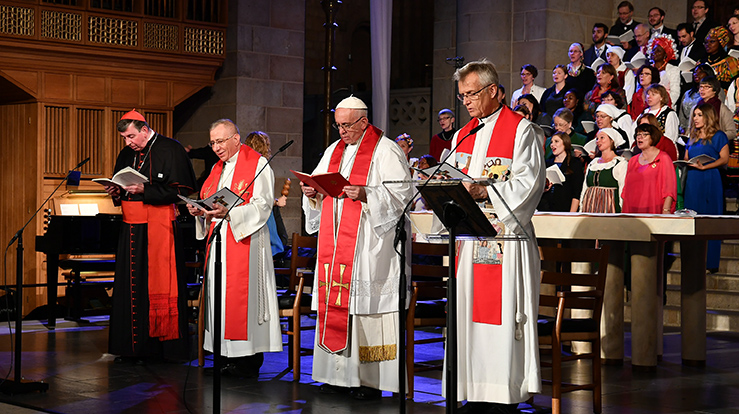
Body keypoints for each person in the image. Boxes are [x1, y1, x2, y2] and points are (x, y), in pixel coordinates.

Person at [300, 96, 413, 400]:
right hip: (336, 247)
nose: (342, 131)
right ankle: (336, 376)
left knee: (365, 312)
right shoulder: (333, 151)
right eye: (338, 125)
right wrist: (312, 193)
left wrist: (366, 194)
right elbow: (322, 186)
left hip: (368, 247)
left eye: (347, 125)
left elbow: (403, 193)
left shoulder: (385, 149)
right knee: (339, 307)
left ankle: (369, 380)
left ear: (364, 122)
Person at [449, 59, 544, 413]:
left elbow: (528, 185)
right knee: (470, 319)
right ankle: (475, 390)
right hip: (471, 243)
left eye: (472, 94)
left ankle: (504, 394)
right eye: (462, 97)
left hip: (507, 242)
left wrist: (483, 192)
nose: (467, 102)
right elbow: (452, 177)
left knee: (503, 320)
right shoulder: (464, 134)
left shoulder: (522, 131)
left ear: (492, 91)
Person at [186, 119, 281, 377]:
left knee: (241, 300)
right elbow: (210, 205)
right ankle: (224, 355)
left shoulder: (257, 165)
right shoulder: (217, 169)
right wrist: (199, 211)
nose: (216, 147)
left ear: (236, 139)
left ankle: (247, 361)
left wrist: (232, 214)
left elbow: (263, 206)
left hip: (245, 242)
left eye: (221, 141)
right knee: (220, 299)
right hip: (219, 244)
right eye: (213, 142)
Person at [105, 109, 197, 363]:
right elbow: (121, 185)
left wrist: (145, 189)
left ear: (144, 130)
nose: (128, 143)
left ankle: (160, 348)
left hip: (159, 227)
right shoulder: (126, 154)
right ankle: (131, 348)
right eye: (124, 138)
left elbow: (181, 191)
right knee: (130, 287)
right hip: (131, 228)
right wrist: (116, 190)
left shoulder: (171, 149)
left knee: (154, 284)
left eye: (132, 136)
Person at [684, 103, 730, 272]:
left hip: (710, 178)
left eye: (699, 115)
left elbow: (724, 159)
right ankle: (693, 262)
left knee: (709, 220)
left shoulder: (718, 136)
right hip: (693, 180)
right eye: (694, 115)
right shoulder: (693, 137)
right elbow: (687, 157)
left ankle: (710, 263)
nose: (695, 118)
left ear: (708, 116)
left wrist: (707, 166)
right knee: (692, 219)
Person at [242, 130, 289, 255]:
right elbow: (259, 197)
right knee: (272, 246)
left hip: (249, 215)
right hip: (260, 216)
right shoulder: (261, 165)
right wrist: (277, 202)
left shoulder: (243, 166)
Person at [621, 123, 677, 214]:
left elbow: (669, 188)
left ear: (653, 137)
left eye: (644, 135)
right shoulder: (632, 161)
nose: (640, 137)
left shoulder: (663, 158)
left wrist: (666, 210)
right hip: (632, 209)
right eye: (638, 135)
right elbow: (626, 190)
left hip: (654, 208)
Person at [580, 128, 628, 213]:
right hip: (590, 208)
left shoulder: (620, 163)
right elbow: (585, 188)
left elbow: (622, 190)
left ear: (612, 140)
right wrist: (581, 208)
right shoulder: (593, 163)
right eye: (597, 138)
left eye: (602, 138)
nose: (598, 141)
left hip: (609, 209)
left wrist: (622, 212)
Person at [538, 131, 584, 213]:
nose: (552, 145)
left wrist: (571, 215)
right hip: (545, 207)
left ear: (565, 143)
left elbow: (576, 192)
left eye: (556, 141)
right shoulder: (547, 163)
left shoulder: (574, 164)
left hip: (564, 208)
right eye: (551, 142)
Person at [648, 34, 681, 106]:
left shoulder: (673, 70)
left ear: (665, 54)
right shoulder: (647, 69)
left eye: (658, 51)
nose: (655, 53)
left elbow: (675, 92)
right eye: (653, 50)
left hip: (666, 105)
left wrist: (664, 105)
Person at [703, 26, 739, 91]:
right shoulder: (701, 62)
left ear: (721, 42)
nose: (708, 44)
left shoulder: (730, 61)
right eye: (706, 42)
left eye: (712, 42)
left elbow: (735, 84)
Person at [680, 64, 714, 133]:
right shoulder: (688, 93)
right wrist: (682, 127)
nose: (696, 74)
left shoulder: (713, 92)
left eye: (700, 72)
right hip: (686, 130)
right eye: (695, 72)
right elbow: (681, 113)